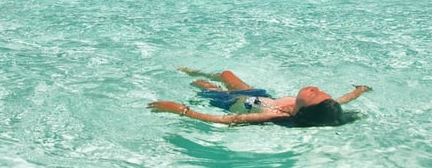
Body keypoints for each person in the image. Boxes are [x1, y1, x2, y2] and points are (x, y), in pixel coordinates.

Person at [147, 67, 372, 127]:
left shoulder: (271, 116)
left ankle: (192, 75)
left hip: (231, 103)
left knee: (202, 85)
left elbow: (227, 120)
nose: (316, 88)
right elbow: (342, 101)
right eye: (322, 92)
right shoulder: (323, 107)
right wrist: (359, 90)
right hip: (258, 96)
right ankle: (196, 71)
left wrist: (182, 110)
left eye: (314, 94)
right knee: (226, 73)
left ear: (304, 111)